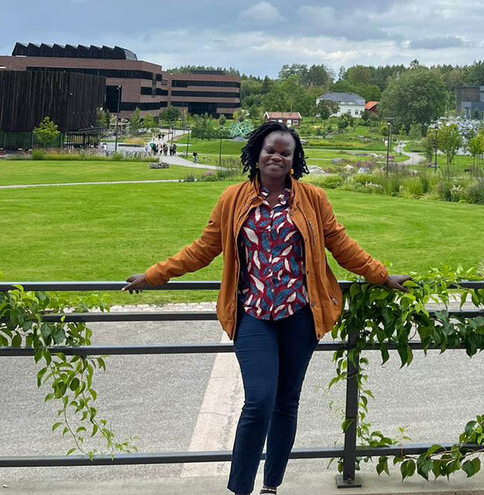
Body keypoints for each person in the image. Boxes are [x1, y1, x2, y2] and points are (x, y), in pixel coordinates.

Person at [122, 121, 410, 495]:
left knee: (287, 402)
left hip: (300, 315)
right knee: (259, 401)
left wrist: (381, 275)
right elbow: (203, 249)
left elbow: (341, 245)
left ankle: (271, 485)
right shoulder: (232, 199)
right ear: (257, 155)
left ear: (294, 161)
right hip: (253, 314)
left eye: (285, 153)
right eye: (270, 150)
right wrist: (153, 275)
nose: (276, 157)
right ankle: (240, 488)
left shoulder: (312, 200)